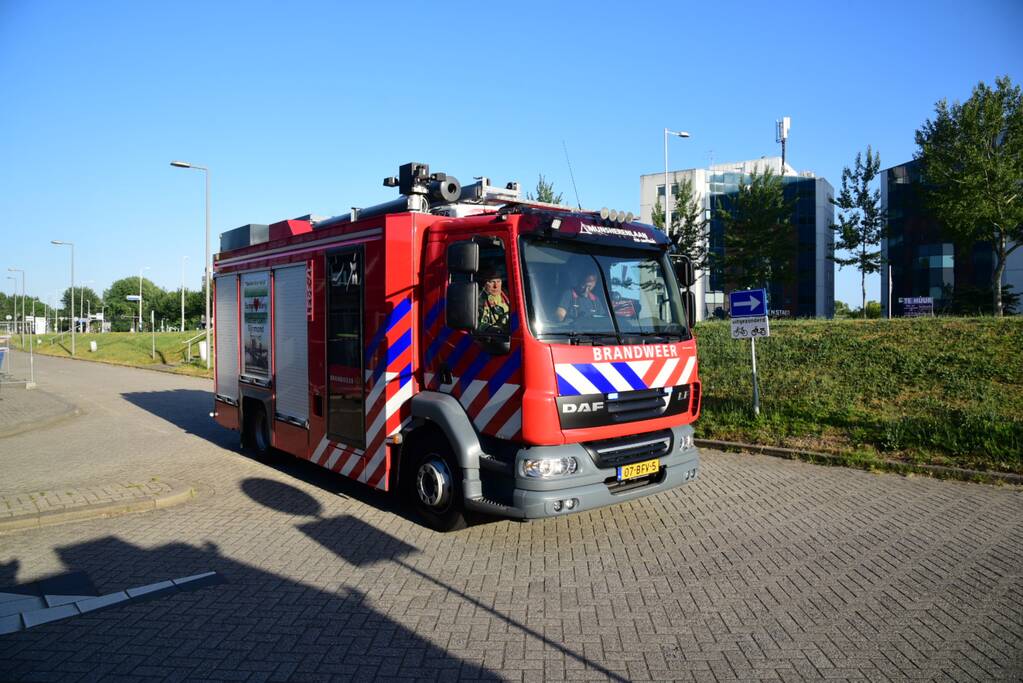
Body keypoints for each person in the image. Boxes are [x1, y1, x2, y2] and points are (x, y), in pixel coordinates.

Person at [477, 267, 511, 332]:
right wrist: (489, 328)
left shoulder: (509, 296)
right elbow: (472, 324)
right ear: (484, 283)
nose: (496, 286)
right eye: (492, 282)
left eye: (498, 281)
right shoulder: (477, 298)